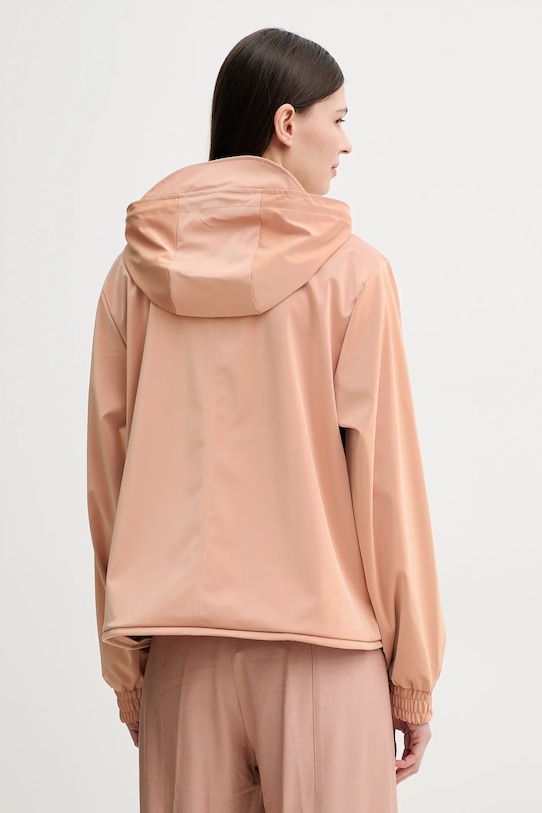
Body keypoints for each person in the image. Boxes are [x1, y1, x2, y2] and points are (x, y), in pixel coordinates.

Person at [87, 26, 445, 813]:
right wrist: (413, 677)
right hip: (326, 654)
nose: (346, 142)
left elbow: (109, 476)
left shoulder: (133, 276)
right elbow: (385, 485)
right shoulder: (355, 274)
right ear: (287, 123)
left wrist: (128, 666)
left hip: (181, 656)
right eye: (338, 119)